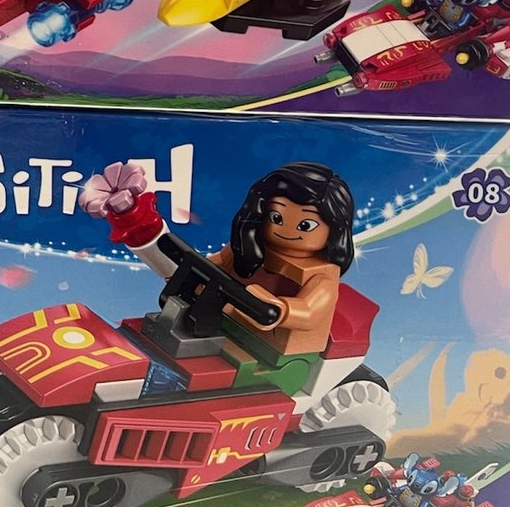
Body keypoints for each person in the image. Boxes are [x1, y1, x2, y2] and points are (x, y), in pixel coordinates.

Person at [83, 161, 355, 392]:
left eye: (306, 224)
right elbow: (206, 265)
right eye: (276, 216)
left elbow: (311, 311)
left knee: (199, 374)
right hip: (214, 322)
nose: (286, 229)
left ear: (335, 228)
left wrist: (279, 309)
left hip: (273, 358)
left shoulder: (322, 275)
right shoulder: (249, 248)